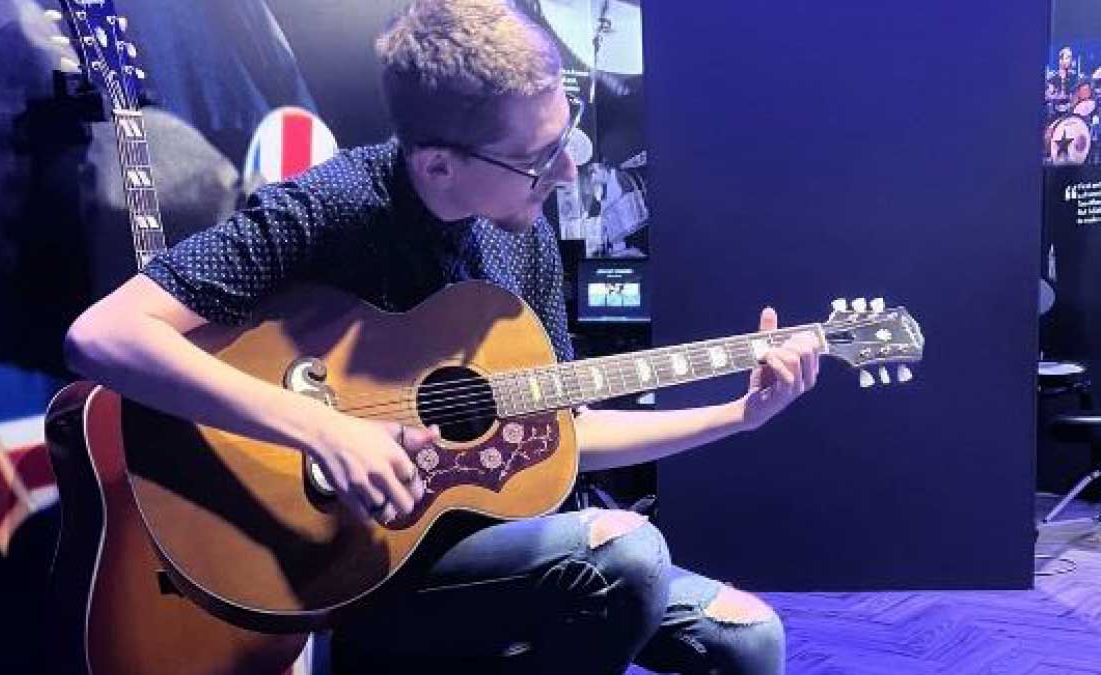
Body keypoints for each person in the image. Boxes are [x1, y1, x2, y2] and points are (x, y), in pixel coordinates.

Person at [63, 1, 821, 672]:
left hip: (493, 545)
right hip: (354, 566)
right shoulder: (334, 205)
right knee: (625, 556)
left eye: (565, 136)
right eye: (536, 158)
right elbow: (104, 334)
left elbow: (568, 428)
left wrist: (739, 415)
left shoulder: (522, 233)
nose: (565, 171)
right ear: (439, 165)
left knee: (750, 639)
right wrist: (325, 431)